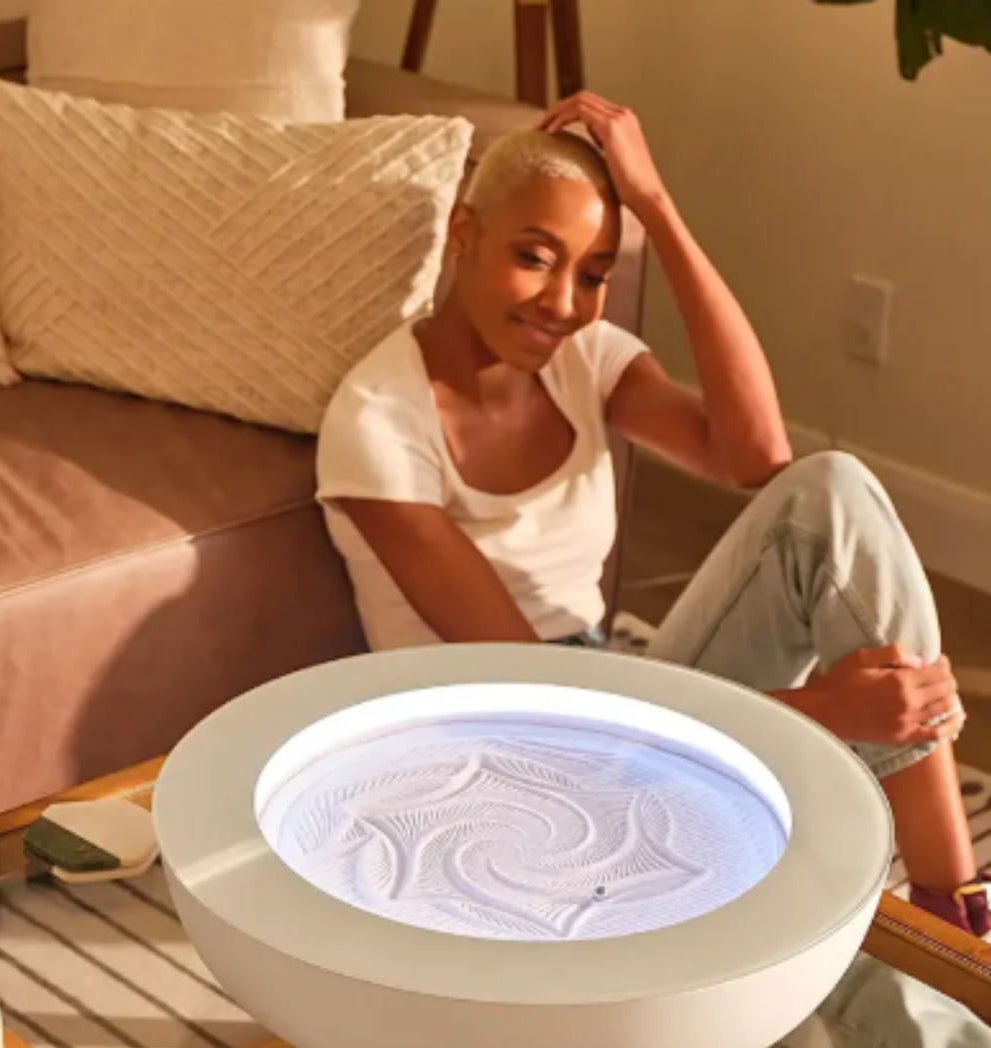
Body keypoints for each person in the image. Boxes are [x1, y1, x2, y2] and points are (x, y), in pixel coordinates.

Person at [317, 91, 988, 937]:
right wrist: (825, 715)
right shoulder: (378, 422)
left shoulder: (582, 360)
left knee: (834, 489)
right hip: (507, 771)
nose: (563, 302)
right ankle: (944, 955)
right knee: (821, 927)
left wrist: (660, 211)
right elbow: (549, 707)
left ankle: (954, 908)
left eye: (594, 274)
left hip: (619, 703)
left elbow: (760, 460)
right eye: (534, 256)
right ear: (463, 231)